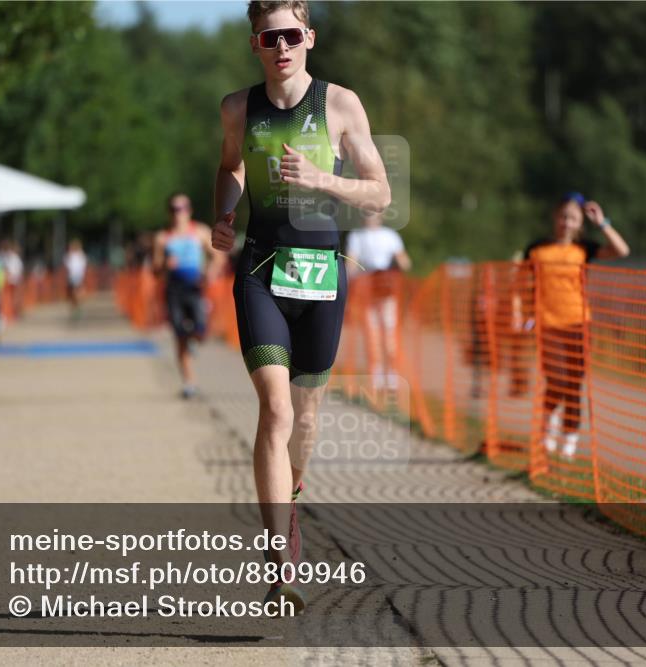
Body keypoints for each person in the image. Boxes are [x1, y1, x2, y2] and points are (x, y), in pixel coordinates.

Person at [211, 0, 390, 612]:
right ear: (255, 45)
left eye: (291, 34)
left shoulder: (340, 105)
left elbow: (380, 194)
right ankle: (279, 549)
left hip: (322, 276)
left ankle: (293, 492)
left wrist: (323, 179)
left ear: (309, 37)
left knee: (306, 420)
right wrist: (224, 210)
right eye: (269, 37)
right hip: (261, 268)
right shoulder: (239, 107)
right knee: (277, 409)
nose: (281, 46)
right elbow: (230, 167)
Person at [523, 192, 630, 463]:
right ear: (555, 218)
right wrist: (520, 312)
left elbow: (622, 250)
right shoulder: (536, 248)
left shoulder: (584, 249)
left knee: (574, 384)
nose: (566, 223)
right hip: (547, 323)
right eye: (563, 217)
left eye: (572, 218)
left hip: (579, 323)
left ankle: (569, 440)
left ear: (580, 222)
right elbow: (520, 282)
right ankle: (547, 427)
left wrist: (602, 223)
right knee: (557, 380)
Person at [153, 193, 224, 399]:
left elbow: (217, 257)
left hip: (195, 288)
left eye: (183, 208)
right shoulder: (163, 237)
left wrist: (210, 273)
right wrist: (165, 265)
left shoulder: (199, 232)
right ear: (169, 212)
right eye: (175, 209)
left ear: (189, 211)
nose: (179, 213)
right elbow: (155, 270)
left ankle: (194, 339)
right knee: (179, 335)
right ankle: (189, 382)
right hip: (174, 290)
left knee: (201, 330)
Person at [344, 210, 411, 390]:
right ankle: (376, 373)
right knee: (371, 333)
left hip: (387, 290)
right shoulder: (357, 236)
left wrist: (393, 269)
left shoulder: (390, 236)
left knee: (389, 332)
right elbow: (351, 263)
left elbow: (404, 262)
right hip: (366, 291)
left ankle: (392, 373)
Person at [64, 239, 87, 317]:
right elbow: (67, 264)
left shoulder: (80, 255)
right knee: (72, 292)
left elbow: (83, 266)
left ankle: (77, 305)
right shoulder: (70, 255)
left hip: (76, 276)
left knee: (75, 291)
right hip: (73, 276)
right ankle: (76, 305)